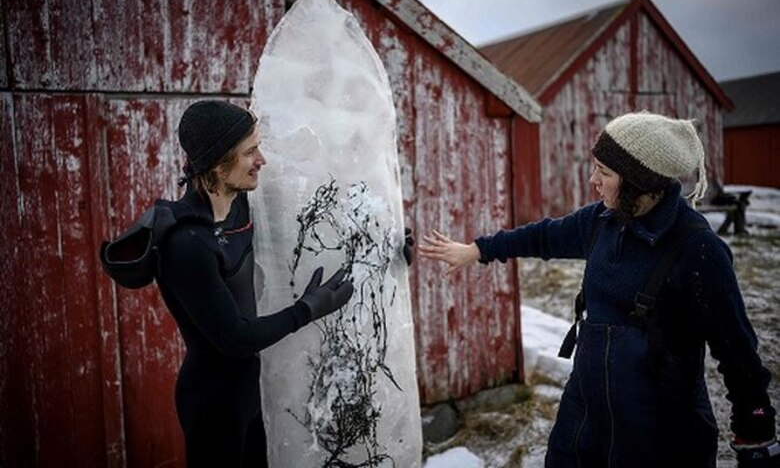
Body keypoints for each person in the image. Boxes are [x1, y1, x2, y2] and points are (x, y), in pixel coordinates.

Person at [419, 112, 779, 468]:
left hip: (660, 429)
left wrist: (755, 431)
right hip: (585, 412)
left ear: (639, 182)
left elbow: (738, 352)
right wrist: (478, 250)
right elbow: (542, 236)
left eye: (604, 172)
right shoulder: (602, 221)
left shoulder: (697, 248)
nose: (593, 180)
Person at [155, 100, 354, 467]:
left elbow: (302, 244)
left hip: (251, 392)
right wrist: (308, 309)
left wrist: (383, 253)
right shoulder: (187, 243)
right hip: (214, 403)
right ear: (219, 163)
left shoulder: (241, 208)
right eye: (250, 151)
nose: (261, 159)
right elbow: (235, 338)